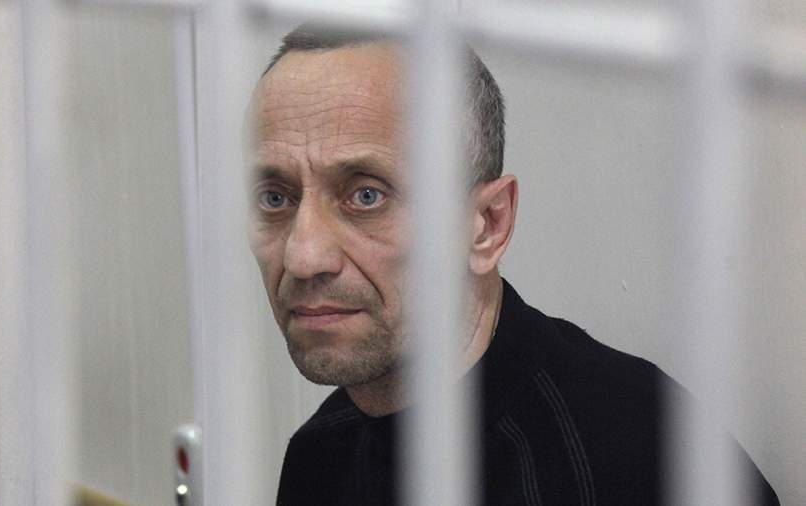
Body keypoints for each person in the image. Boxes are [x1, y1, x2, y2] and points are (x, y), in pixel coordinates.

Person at [247, 25, 779, 505]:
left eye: (367, 195)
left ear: (488, 224)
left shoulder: (639, 460)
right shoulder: (319, 457)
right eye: (275, 197)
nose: (302, 256)